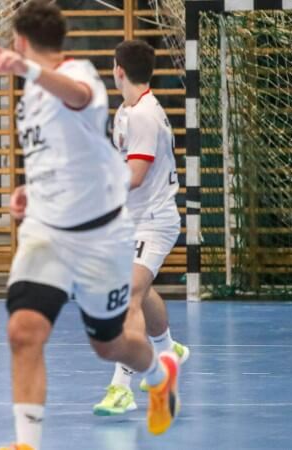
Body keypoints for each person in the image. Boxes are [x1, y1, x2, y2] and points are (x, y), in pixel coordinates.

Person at [0, 2, 180, 448]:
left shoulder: (80, 74)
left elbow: (78, 96)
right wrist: (31, 188)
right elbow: (59, 154)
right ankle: (25, 442)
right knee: (23, 331)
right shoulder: (31, 95)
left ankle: (157, 373)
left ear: (20, 42)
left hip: (99, 236)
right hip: (46, 231)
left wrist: (27, 69)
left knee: (109, 344)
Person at [93, 39, 190, 416]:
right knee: (141, 289)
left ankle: (122, 388)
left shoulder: (144, 116)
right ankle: (167, 348)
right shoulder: (127, 110)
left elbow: (134, 176)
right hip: (132, 219)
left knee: (128, 296)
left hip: (154, 221)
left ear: (119, 70)